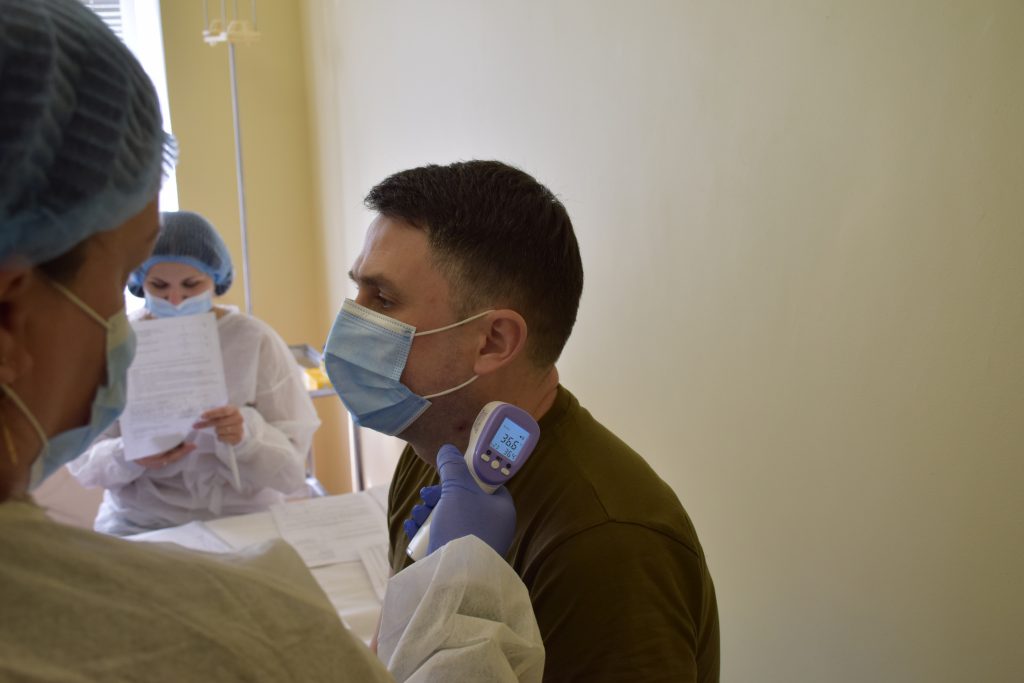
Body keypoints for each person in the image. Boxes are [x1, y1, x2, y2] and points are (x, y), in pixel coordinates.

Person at [0, 1, 543, 680]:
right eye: (128, 280)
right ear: (11, 312)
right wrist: (465, 593)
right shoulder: (233, 631)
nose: (154, 314)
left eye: (382, 298)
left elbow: (289, 458)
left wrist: (245, 435)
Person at [324, 160, 721, 681]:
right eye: (358, 291)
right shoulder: (432, 452)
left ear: (493, 341)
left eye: (383, 299)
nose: (351, 319)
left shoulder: (607, 544)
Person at [68, 210, 321, 535]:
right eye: (159, 286)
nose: (175, 299)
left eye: (191, 284)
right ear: (139, 282)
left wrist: (246, 435)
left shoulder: (252, 340)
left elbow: (291, 471)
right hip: (140, 521)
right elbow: (83, 462)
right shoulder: (116, 343)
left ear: (216, 279)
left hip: (243, 517)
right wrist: (131, 453)